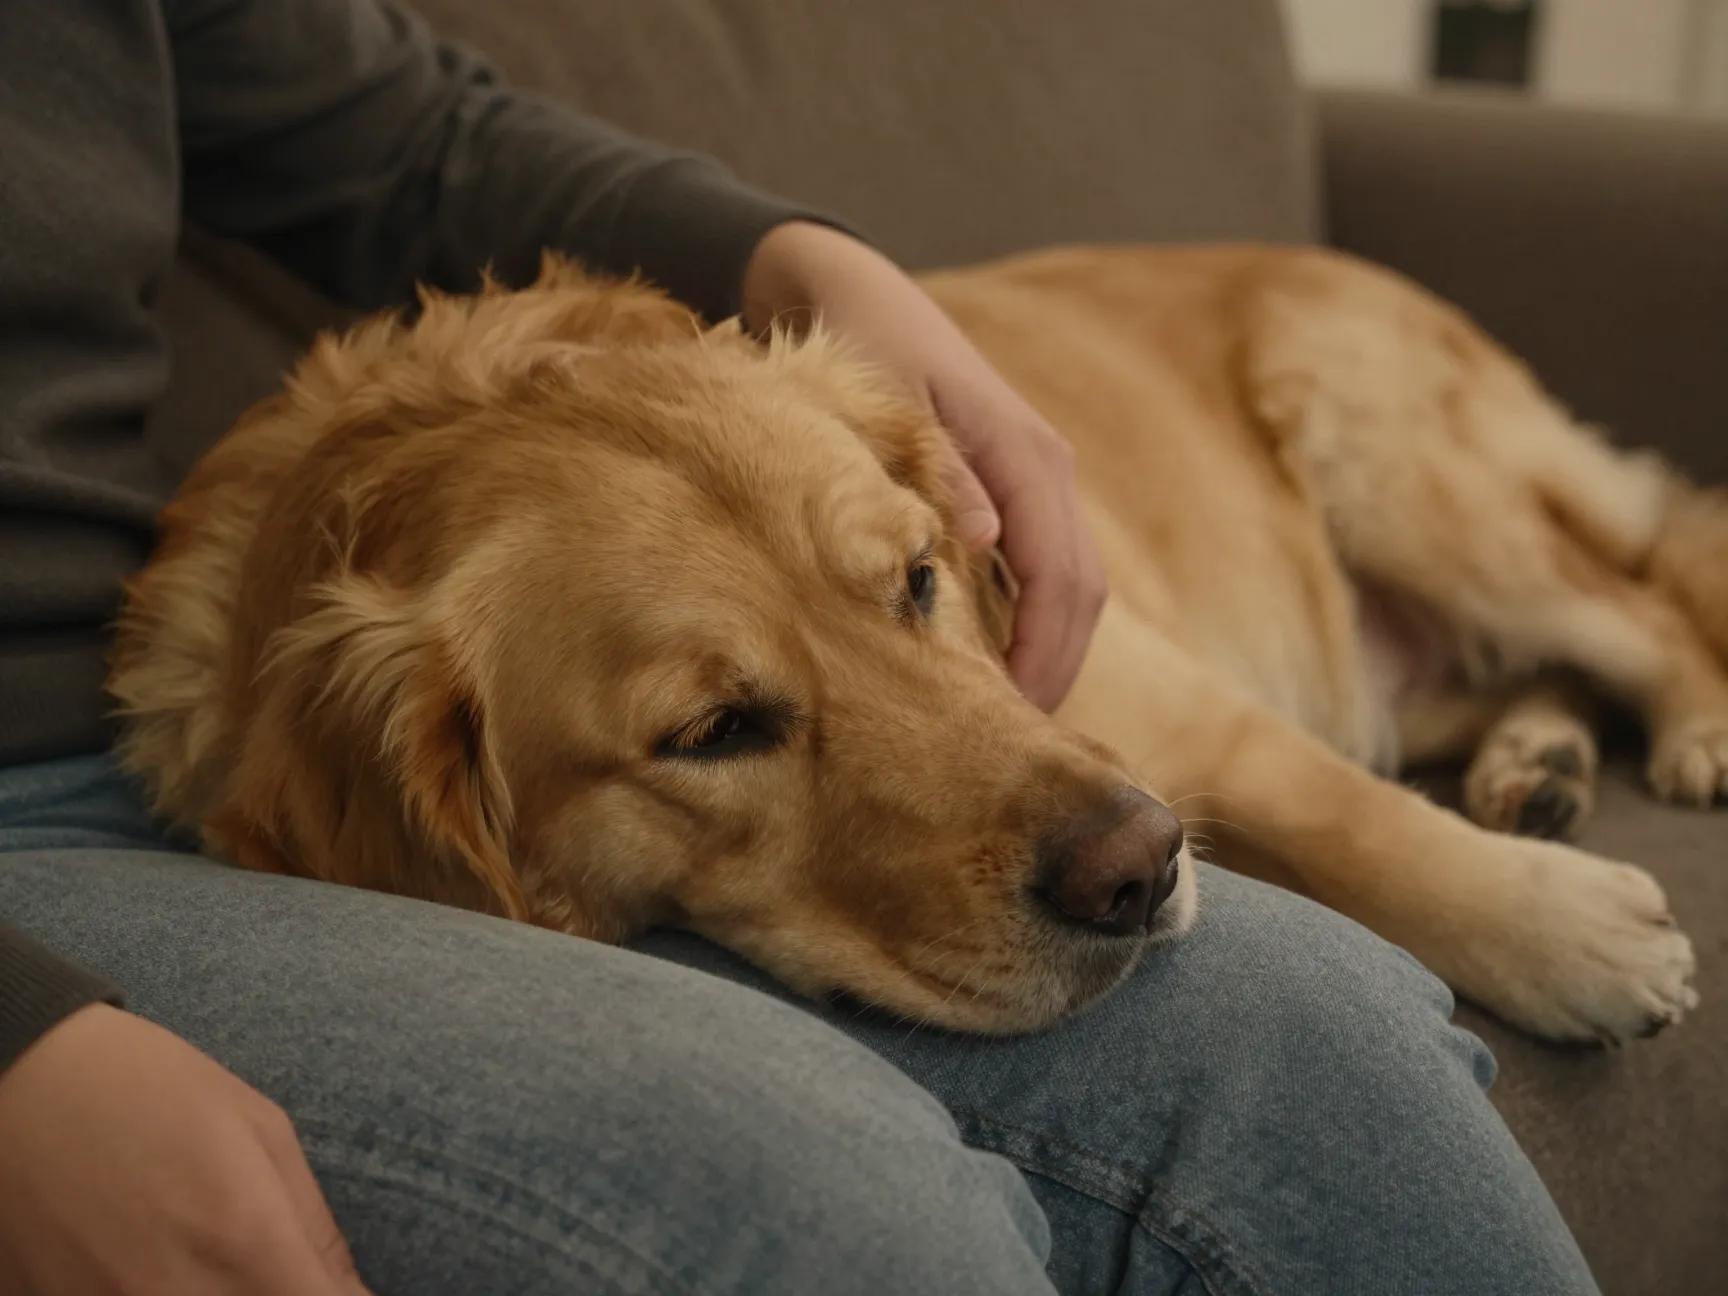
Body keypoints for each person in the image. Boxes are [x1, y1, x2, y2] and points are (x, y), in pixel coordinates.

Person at [0, 1, 1601, 1293]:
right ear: (448, 834)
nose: (1111, 828)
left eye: (913, 583)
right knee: (834, 1209)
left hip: (80, 700)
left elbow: (396, 134)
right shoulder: (401, 776)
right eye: (717, 726)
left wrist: (807, 263)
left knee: (1327, 1048)